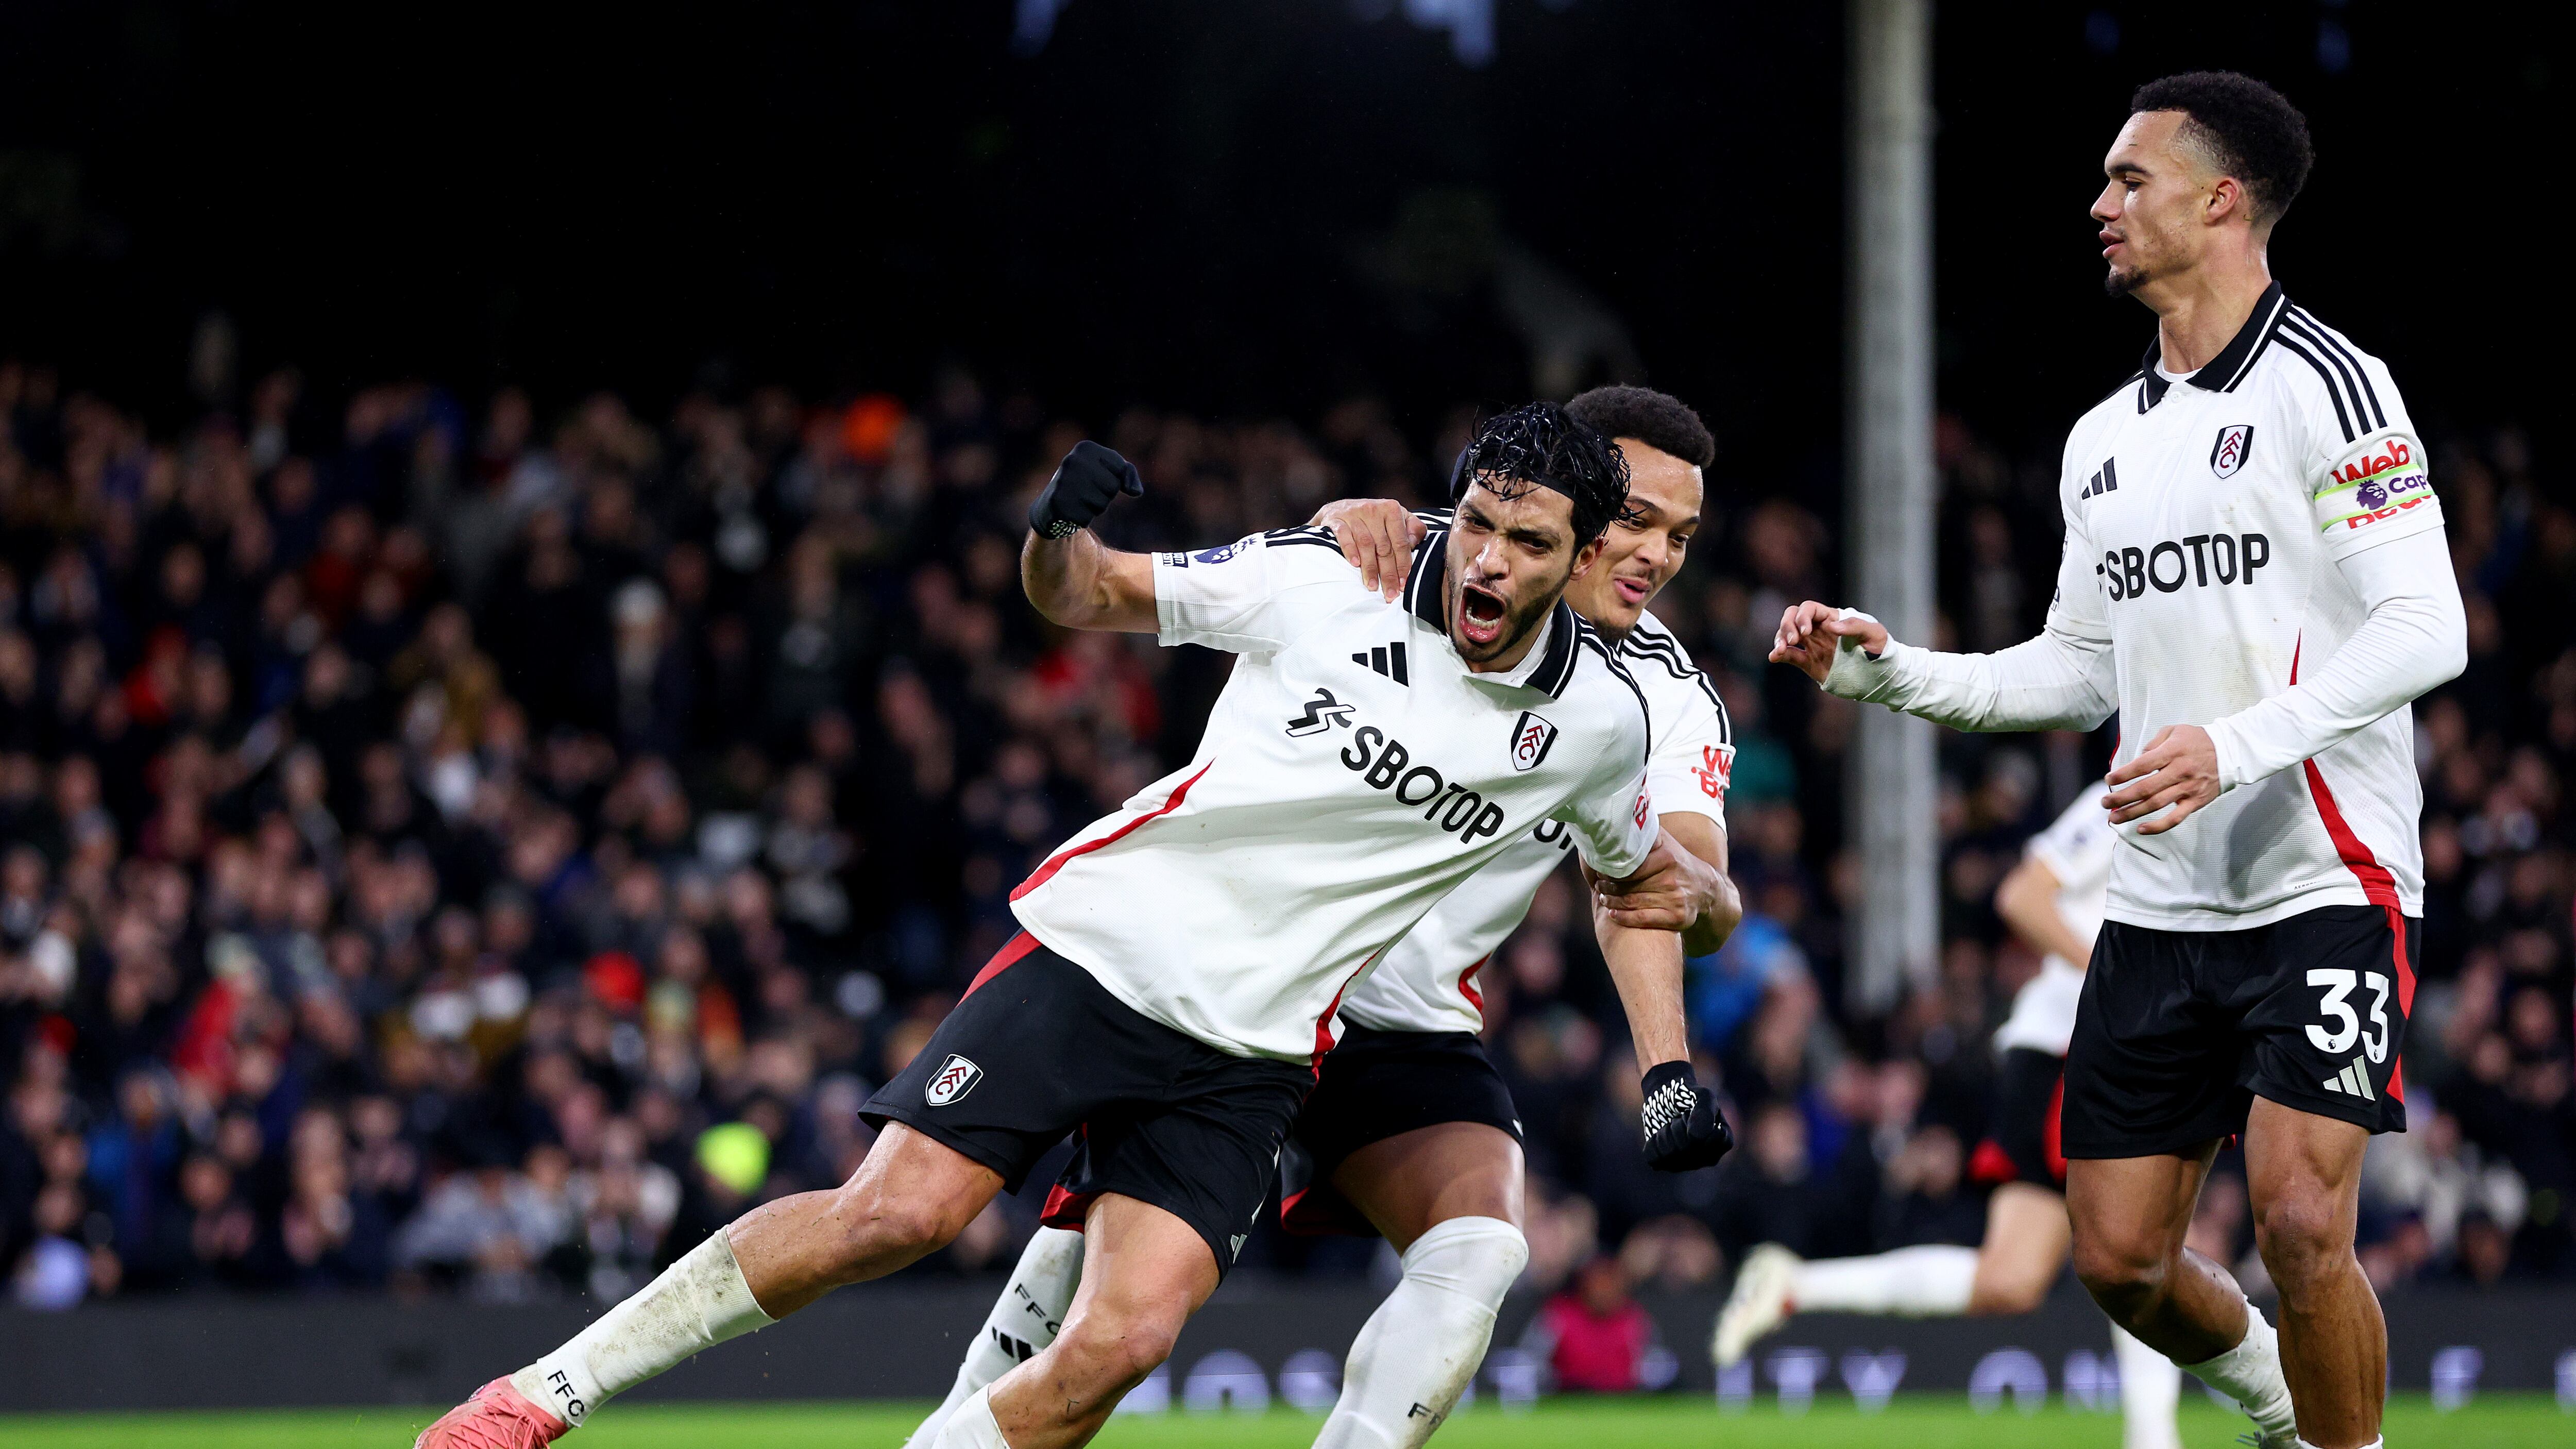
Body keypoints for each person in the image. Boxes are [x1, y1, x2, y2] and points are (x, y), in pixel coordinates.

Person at [416, 401, 1730, 1449]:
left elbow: (1645, 876)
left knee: (1119, 1343)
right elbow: (1085, 592)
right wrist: (1055, 530)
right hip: (1108, 949)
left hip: (1254, 1052)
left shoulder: (1602, 726)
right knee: (897, 1214)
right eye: (1482, 525)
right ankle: (534, 1398)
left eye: (1530, 545)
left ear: (1577, 558)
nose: (1490, 564)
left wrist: (1704, 936)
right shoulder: (1325, 578)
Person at [1768, 72, 2463, 1449]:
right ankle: (2276, 1401)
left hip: (2322, 871)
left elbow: (2426, 623)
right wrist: (1885, 666)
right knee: (2117, 1259)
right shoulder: (2103, 442)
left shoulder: (2332, 387)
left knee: (2303, 1213)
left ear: (2221, 200)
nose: (2100, 205)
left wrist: (2233, 743)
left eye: (2129, 179)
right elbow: (2077, 671)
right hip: (2156, 904)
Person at [905, 385, 1743, 1448]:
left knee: (1482, 1244)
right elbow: (1145, 592)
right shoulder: (1385, 557)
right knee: (1090, 1314)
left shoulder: (1662, 699)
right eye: (1632, 517)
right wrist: (1337, 523)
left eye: (1682, 533)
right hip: (1234, 978)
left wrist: (1670, 1057)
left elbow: (1667, 891)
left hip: (1400, 1022)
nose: (1657, 553)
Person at [1711, 781, 2185, 1449]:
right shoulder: (2140, 781)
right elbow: (2022, 894)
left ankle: (1794, 1285)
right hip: (2077, 1044)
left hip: (2087, 1045)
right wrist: (2123, 979)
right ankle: (2161, 1438)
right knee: (2140, 1251)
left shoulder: (2206, 779)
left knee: (2012, 1279)